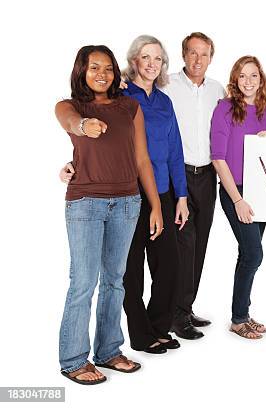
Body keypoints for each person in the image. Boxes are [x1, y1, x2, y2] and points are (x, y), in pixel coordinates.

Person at [56, 45, 162, 385]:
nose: (101, 73)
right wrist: (83, 125)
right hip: (86, 202)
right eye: (93, 67)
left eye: (107, 68)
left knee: (115, 281)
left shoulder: (130, 107)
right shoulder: (71, 106)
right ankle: (74, 360)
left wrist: (155, 204)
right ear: (82, 72)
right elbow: (68, 120)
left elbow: (143, 159)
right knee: (84, 282)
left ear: (116, 73)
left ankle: (108, 351)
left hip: (127, 203)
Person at [120, 35, 188, 353]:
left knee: (169, 265)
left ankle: (158, 326)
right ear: (134, 60)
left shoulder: (164, 101)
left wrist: (182, 197)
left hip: (161, 192)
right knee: (131, 268)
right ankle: (140, 334)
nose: (151, 63)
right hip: (129, 194)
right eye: (146, 57)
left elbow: (175, 150)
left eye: (158, 58)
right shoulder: (121, 98)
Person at [162, 32, 226, 339]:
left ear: (211, 57)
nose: (198, 60)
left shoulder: (217, 90)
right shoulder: (167, 84)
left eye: (204, 54)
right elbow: (135, 86)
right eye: (192, 53)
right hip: (179, 177)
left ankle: (185, 308)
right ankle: (175, 316)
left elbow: (236, 120)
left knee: (199, 245)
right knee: (183, 247)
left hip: (208, 177)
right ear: (183, 55)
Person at [210, 56, 266, 339]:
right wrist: (237, 199)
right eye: (242, 76)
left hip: (262, 191)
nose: (248, 81)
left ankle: (242, 314)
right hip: (235, 190)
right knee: (254, 253)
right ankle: (238, 318)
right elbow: (218, 158)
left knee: (247, 253)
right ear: (235, 80)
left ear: (261, 79)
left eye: (253, 75)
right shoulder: (224, 109)